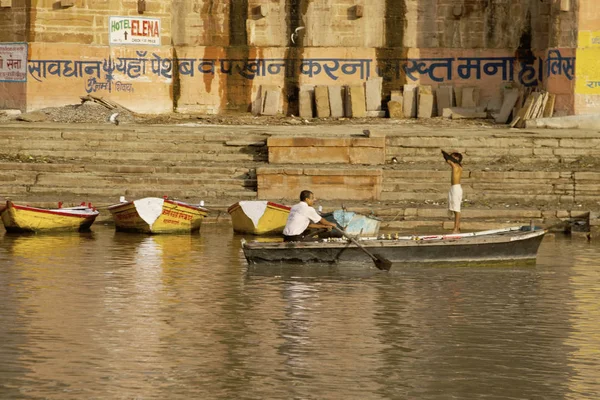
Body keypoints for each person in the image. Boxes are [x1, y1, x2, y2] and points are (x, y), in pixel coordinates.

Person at [442, 150, 463, 233]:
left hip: (456, 188)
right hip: (453, 188)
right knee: (454, 209)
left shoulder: (456, 166)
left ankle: (456, 229)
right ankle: (457, 227)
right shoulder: (458, 166)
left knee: (457, 209)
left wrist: (444, 153)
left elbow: (447, 159)